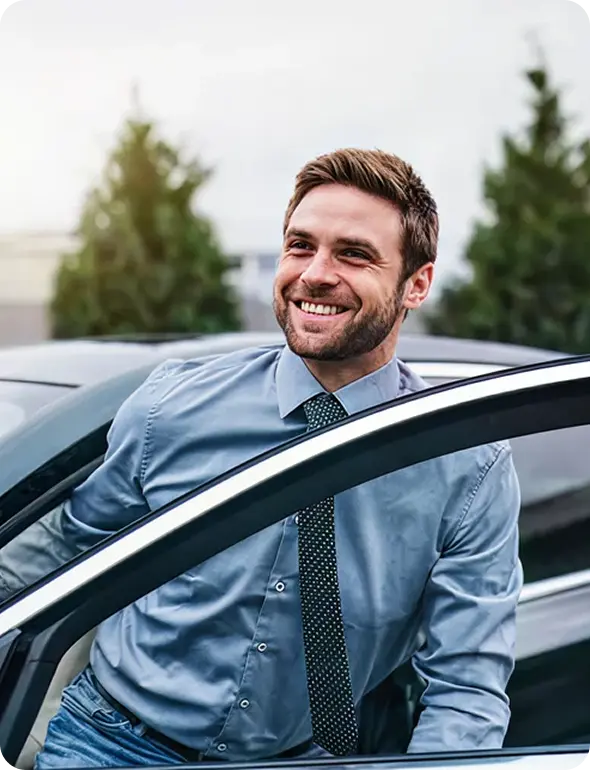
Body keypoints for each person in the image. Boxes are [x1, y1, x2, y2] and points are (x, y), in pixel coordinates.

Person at [26, 148, 521, 767]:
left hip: (298, 760)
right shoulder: (171, 407)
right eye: (299, 246)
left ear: (417, 283)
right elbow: (56, 552)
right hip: (108, 744)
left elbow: (466, 686)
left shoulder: (465, 463)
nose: (315, 273)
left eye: (354, 253)